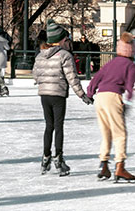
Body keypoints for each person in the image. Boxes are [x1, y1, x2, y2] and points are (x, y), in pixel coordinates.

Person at [33, 20, 93, 177]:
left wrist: (44, 82)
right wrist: (82, 95)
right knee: (58, 126)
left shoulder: (40, 55)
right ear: (60, 41)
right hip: (58, 95)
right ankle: (58, 159)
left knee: (49, 126)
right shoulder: (64, 56)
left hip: (44, 95)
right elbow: (72, 78)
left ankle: (45, 158)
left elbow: (35, 75)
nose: (68, 43)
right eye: (66, 40)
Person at [87, 31, 135, 182]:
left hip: (100, 98)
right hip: (113, 98)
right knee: (120, 133)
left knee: (106, 132)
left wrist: (90, 93)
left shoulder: (110, 63)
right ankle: (120, 166)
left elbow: (96, 78)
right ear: (132, 50)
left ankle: (103, 165)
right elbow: (129, 87)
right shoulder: (130, 66)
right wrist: (127, 103)